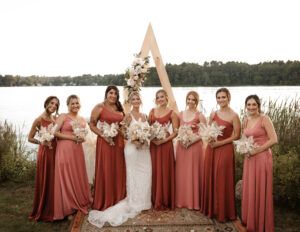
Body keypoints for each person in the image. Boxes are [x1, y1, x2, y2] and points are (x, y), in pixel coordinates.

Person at [88, 91, 152, 228]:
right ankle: (134, 201)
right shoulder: (127, 116)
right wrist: (133, 139)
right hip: (133, 149)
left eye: (137, 98)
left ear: (141, 100)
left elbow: (149, 132)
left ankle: (144, 201)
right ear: (130, 102)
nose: (136, 101)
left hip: (145, 150)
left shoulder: (145, 116)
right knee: (133, 174)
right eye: (133, 99)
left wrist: (145, 139)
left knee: (146, 174)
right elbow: (122, 130)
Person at [201, 88, 241, 222]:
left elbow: (237, 135)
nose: (221, 100)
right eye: (218, 97)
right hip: (212, 149)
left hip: (225, 149)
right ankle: (211, 209)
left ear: (229, 97)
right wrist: (210, 139)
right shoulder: (213, 114)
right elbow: (209, 130)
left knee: (222, 178)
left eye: (223, 97)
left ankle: (223, 211)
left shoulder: (234, 115)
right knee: (210, 175)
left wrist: (221, 143)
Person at [241, 95, 277, 232]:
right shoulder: (245, 120)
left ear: (258, 105)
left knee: (260, 188)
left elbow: (274, 139)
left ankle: (261, 223)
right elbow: (244, 138)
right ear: (246, 106)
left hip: (262, 158)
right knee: (250, 187)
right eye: (248, 105)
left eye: (254, 105)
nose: (251, 107)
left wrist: (257, 150)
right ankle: (250, 220)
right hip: (249, 158)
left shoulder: (265, 119)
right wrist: (244, 148)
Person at [53, 95, 92, 220]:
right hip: (64, 149)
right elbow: (54, 132)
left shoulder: (81, 119)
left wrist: (81, 138)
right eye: (72, 103)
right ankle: (68, 206)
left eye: (77, 103)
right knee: (66, 175)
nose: (75, 106)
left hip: (77, 150)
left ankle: (78, 200)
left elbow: (84, 135)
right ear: (68, 105)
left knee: (76, 174)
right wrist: (71, 137)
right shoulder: (63, 116)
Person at [89, 86, 126, 211]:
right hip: (105, 142)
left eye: (115, 93)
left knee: (119, 169)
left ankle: (119, 197)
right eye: (111, 93)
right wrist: (104, 136)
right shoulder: (99, 107)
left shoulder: (119, 107)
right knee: (107, 168)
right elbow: (92, 125)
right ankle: (106, 199)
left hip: (119, 143)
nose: (113, 96)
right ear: (106, 94)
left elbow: (123, 125)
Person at [28, 96, 60, 221]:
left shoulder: (55, 119)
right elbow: (30, 138)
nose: (53, 106)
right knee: (46, 178)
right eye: (52, 103)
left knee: (55, 178)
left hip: (56, 151)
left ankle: (55, 206)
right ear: (46, 103)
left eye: (56, 105)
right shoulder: (38, 120)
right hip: (46, 153)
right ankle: (44, 208)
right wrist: (42, 142)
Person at [175, 91, 206, 210]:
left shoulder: (200, 115)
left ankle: (194, 201)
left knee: (193, 172)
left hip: (194, 147)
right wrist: (182, 139)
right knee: (182, 173)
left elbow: (204, 132)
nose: (190, 102)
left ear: (196, 101)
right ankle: (181, 200)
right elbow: (177, 129)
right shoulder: (181, 114)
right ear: (186, 100)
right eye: (189, 99)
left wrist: (191, 141)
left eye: (193, 100)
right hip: (182, 146)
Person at [148, 89, 179, 210]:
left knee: (165, 170)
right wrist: (151, 138)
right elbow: (147, 128)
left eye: (162, 97)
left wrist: (164, 141)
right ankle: (154, 197)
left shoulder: (172, 113)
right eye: (158, 97)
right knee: (154, 170)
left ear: (167, 98)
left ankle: (165, 198)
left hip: (165, 145)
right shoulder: (151, 111)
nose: (160, 99)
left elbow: (176, 132)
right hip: (154, 144)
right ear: (156, 99)